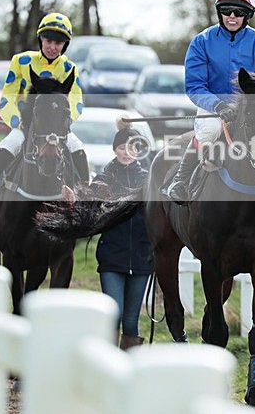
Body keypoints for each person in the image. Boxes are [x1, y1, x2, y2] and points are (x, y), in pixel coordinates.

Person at [163, 0, 255, 203]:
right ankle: (181, 180)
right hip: (212, 107)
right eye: (226, 11)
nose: (232, 16)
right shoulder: (201, 42)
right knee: (210, 130)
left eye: (239, 12)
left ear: (248, 15)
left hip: (248, 108)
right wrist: (218, 106)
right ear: (219, 12)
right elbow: (194, 86)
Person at [0, 12, 88, 203]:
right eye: (48, 41)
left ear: (65, 45)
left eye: (58, 43)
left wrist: (63, 123)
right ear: (40, 39)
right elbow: (8, 98)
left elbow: (76, 101)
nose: (53, 47)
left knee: (78, 147)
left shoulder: (70, 68)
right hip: (26, 124)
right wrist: (20, 123)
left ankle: (85, 191)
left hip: (56, 127)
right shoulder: (21, 61)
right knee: (9, 144)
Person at [93, 120, 152, 349]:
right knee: (113, 316)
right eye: (121, 148)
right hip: (111, 257)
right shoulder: (103, 178)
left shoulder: (148, 180)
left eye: (132, 148)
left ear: (138, 151)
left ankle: (129, 368)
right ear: (114, 149)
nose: (126, 153)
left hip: (141, 258)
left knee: (131, 322)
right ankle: (107, 361)